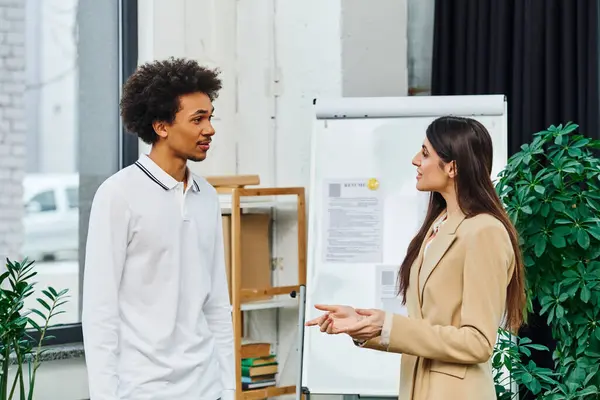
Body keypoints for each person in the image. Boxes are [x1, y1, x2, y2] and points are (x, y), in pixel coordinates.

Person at [306, 116, 526, 400]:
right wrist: (361, 325)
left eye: (424, 153)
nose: (414, 160)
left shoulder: (484, 232)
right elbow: (425, 324)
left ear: (452, 167)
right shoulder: (439, 225)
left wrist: (388, 326)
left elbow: (478, 342)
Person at [81, 58, 234, 400]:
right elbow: (99, 310)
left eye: (209, 117)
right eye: (197, 119)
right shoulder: (118, 194)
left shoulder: (206, 196)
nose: (209, 129)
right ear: (162, 126)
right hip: (142, 389)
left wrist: (229, 387)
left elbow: (217, 302)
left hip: (206, 386)